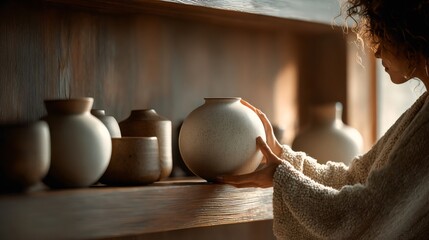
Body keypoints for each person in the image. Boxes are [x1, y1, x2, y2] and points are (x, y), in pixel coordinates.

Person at [218, 0, 429, 239]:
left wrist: (282, 177)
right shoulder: (421, 109)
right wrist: (283, 156)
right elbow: (356, 177)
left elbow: (366, 213)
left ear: (410, 33)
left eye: (383, 34)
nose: (377, 51)